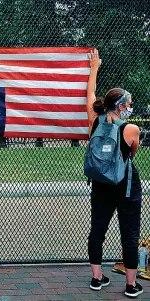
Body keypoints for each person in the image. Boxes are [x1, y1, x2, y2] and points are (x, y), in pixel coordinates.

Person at [86, 49, 143, 298]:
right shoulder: (131, 129)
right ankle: (131, 285)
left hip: (100, 183)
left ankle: (97, 279)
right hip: (126, 184)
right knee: (129, 232)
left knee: (97, 229)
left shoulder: (95, 121)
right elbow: (131, 155)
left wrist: (94, 67)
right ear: (120, 106)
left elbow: (89, 95)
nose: (130, 108)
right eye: (128, 104)